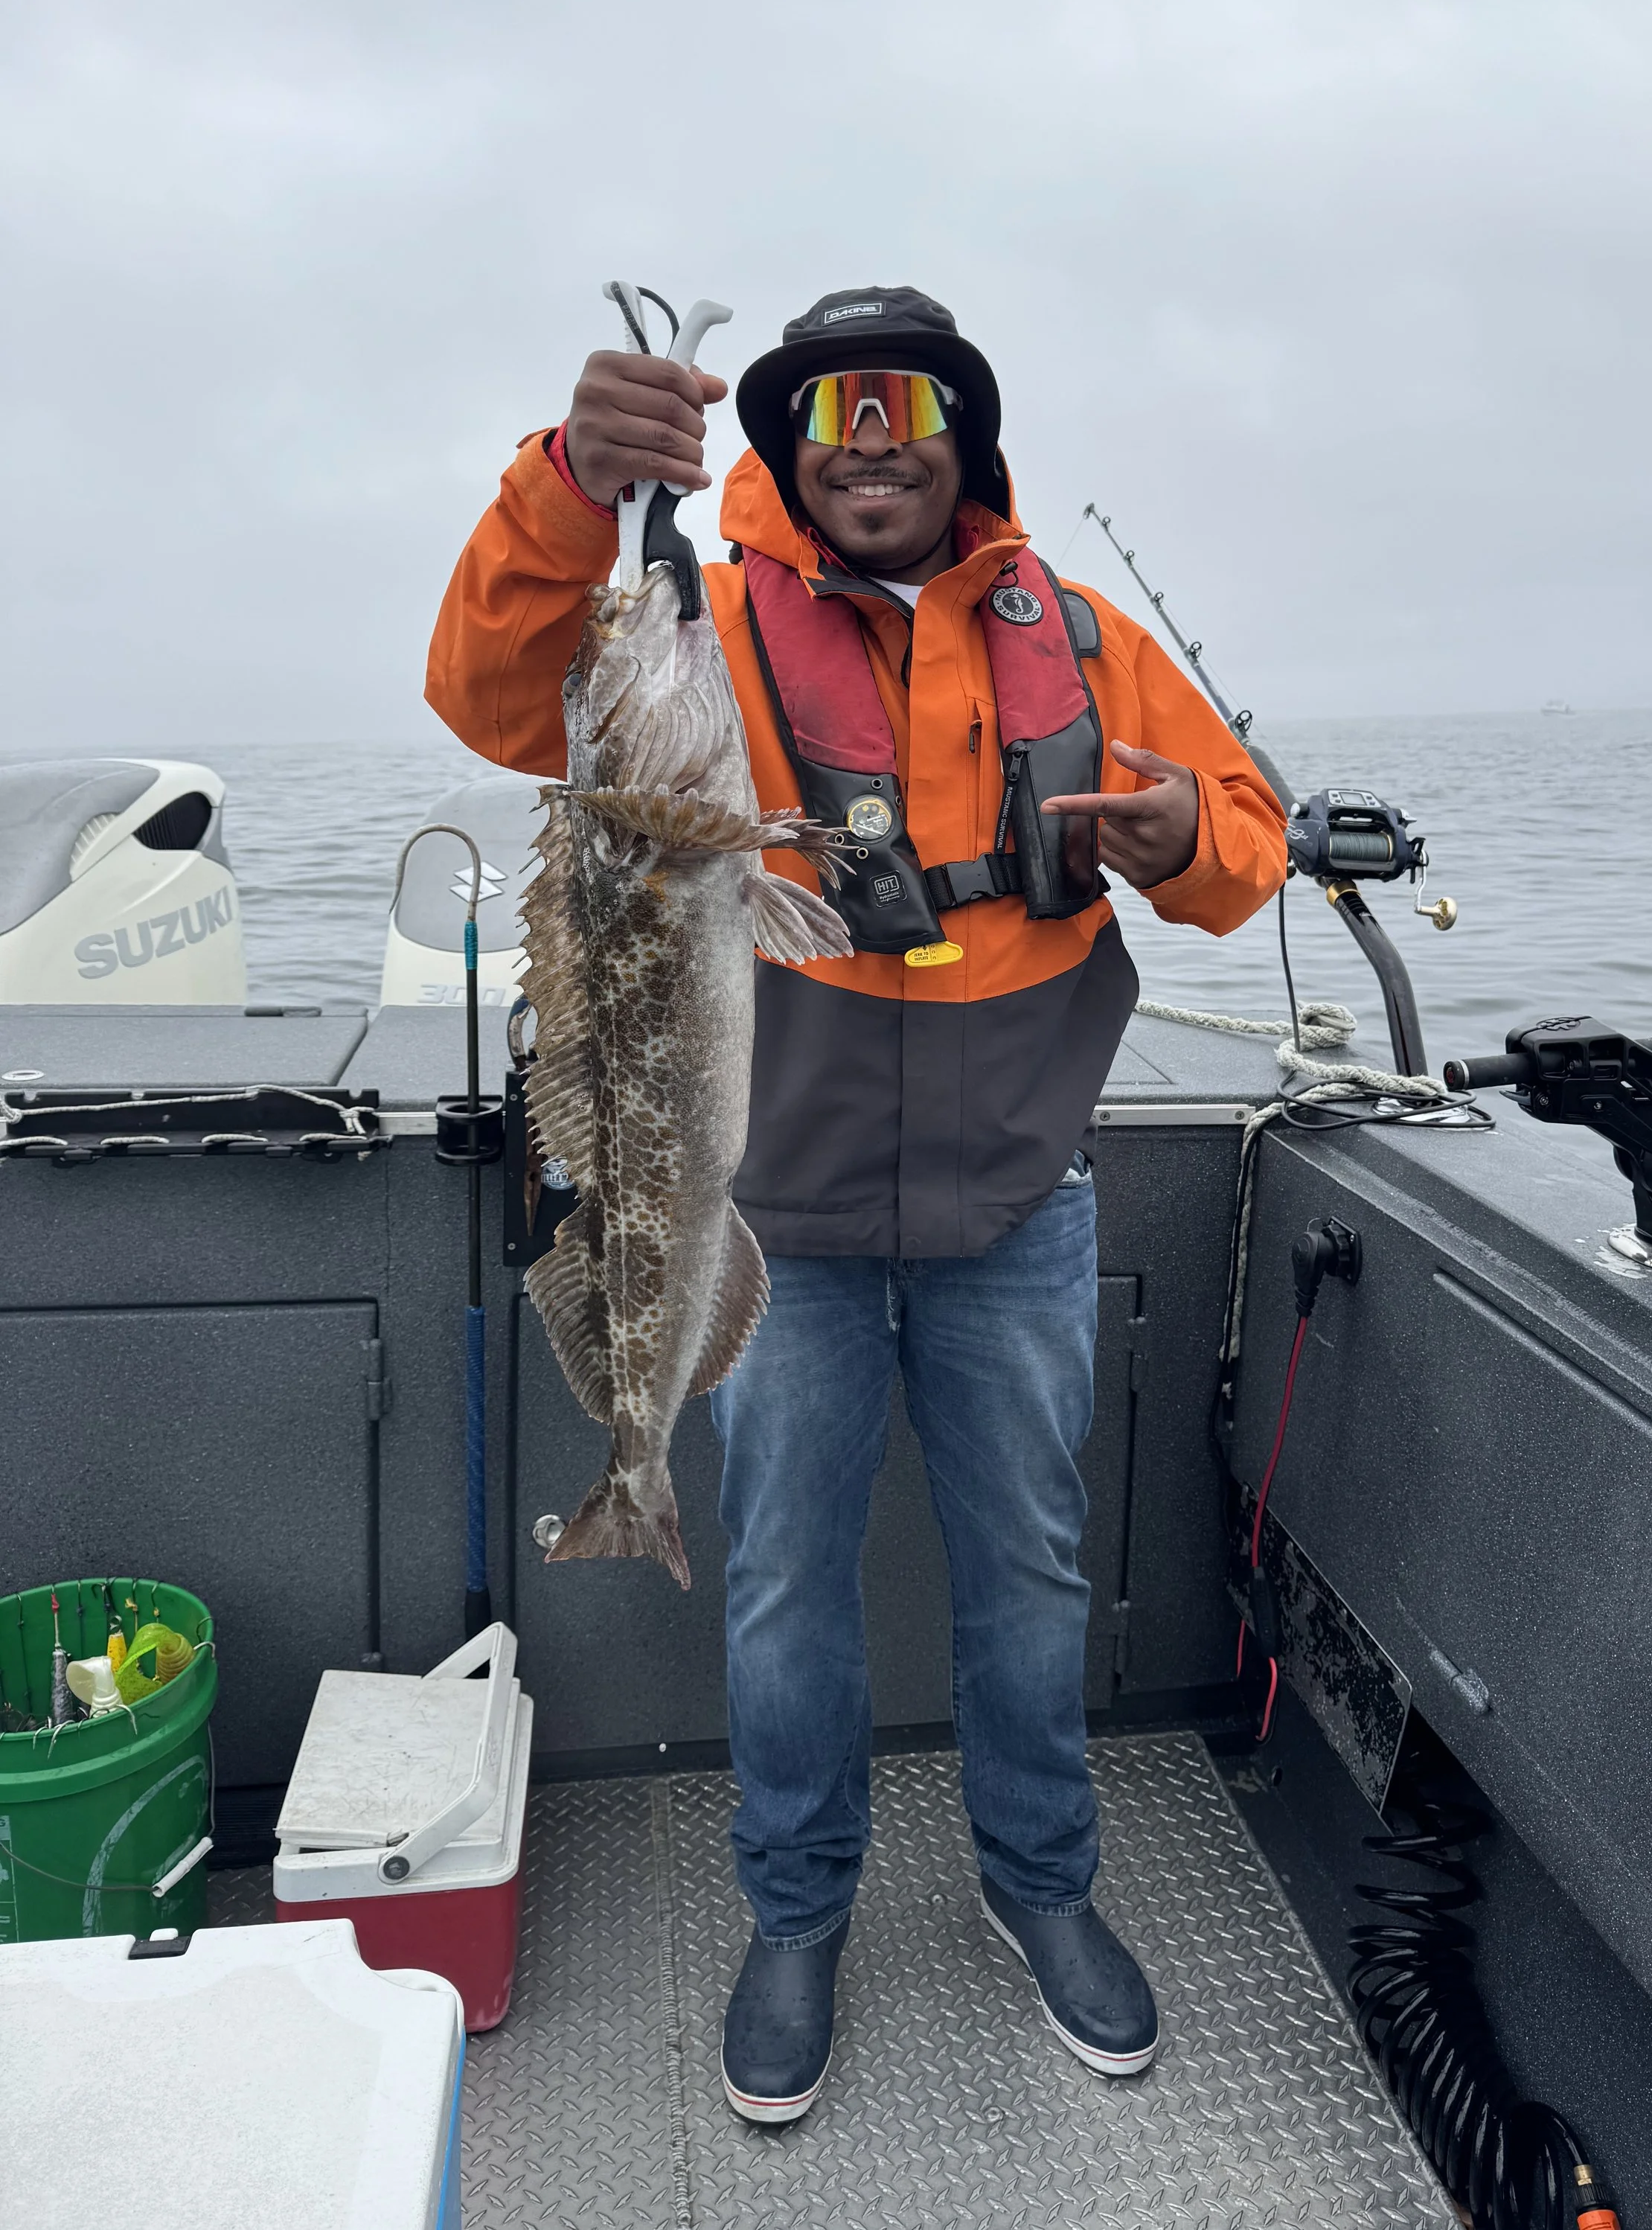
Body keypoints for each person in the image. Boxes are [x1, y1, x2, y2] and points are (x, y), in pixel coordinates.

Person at [428, 286, 1286, 2122]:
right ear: (782, 448)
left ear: (966, 435)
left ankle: (1039, 1887)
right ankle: (795, 1911)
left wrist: (1186, 843)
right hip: (779, 1224)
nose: (872, 439)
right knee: (781, 1589)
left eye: (907, 402)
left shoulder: (1078, 633)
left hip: (1019, 1212)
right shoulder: (694, 627)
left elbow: (1242, 843)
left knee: (1028, 1574)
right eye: (830, 410)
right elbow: (495, 693)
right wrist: (571, 482)